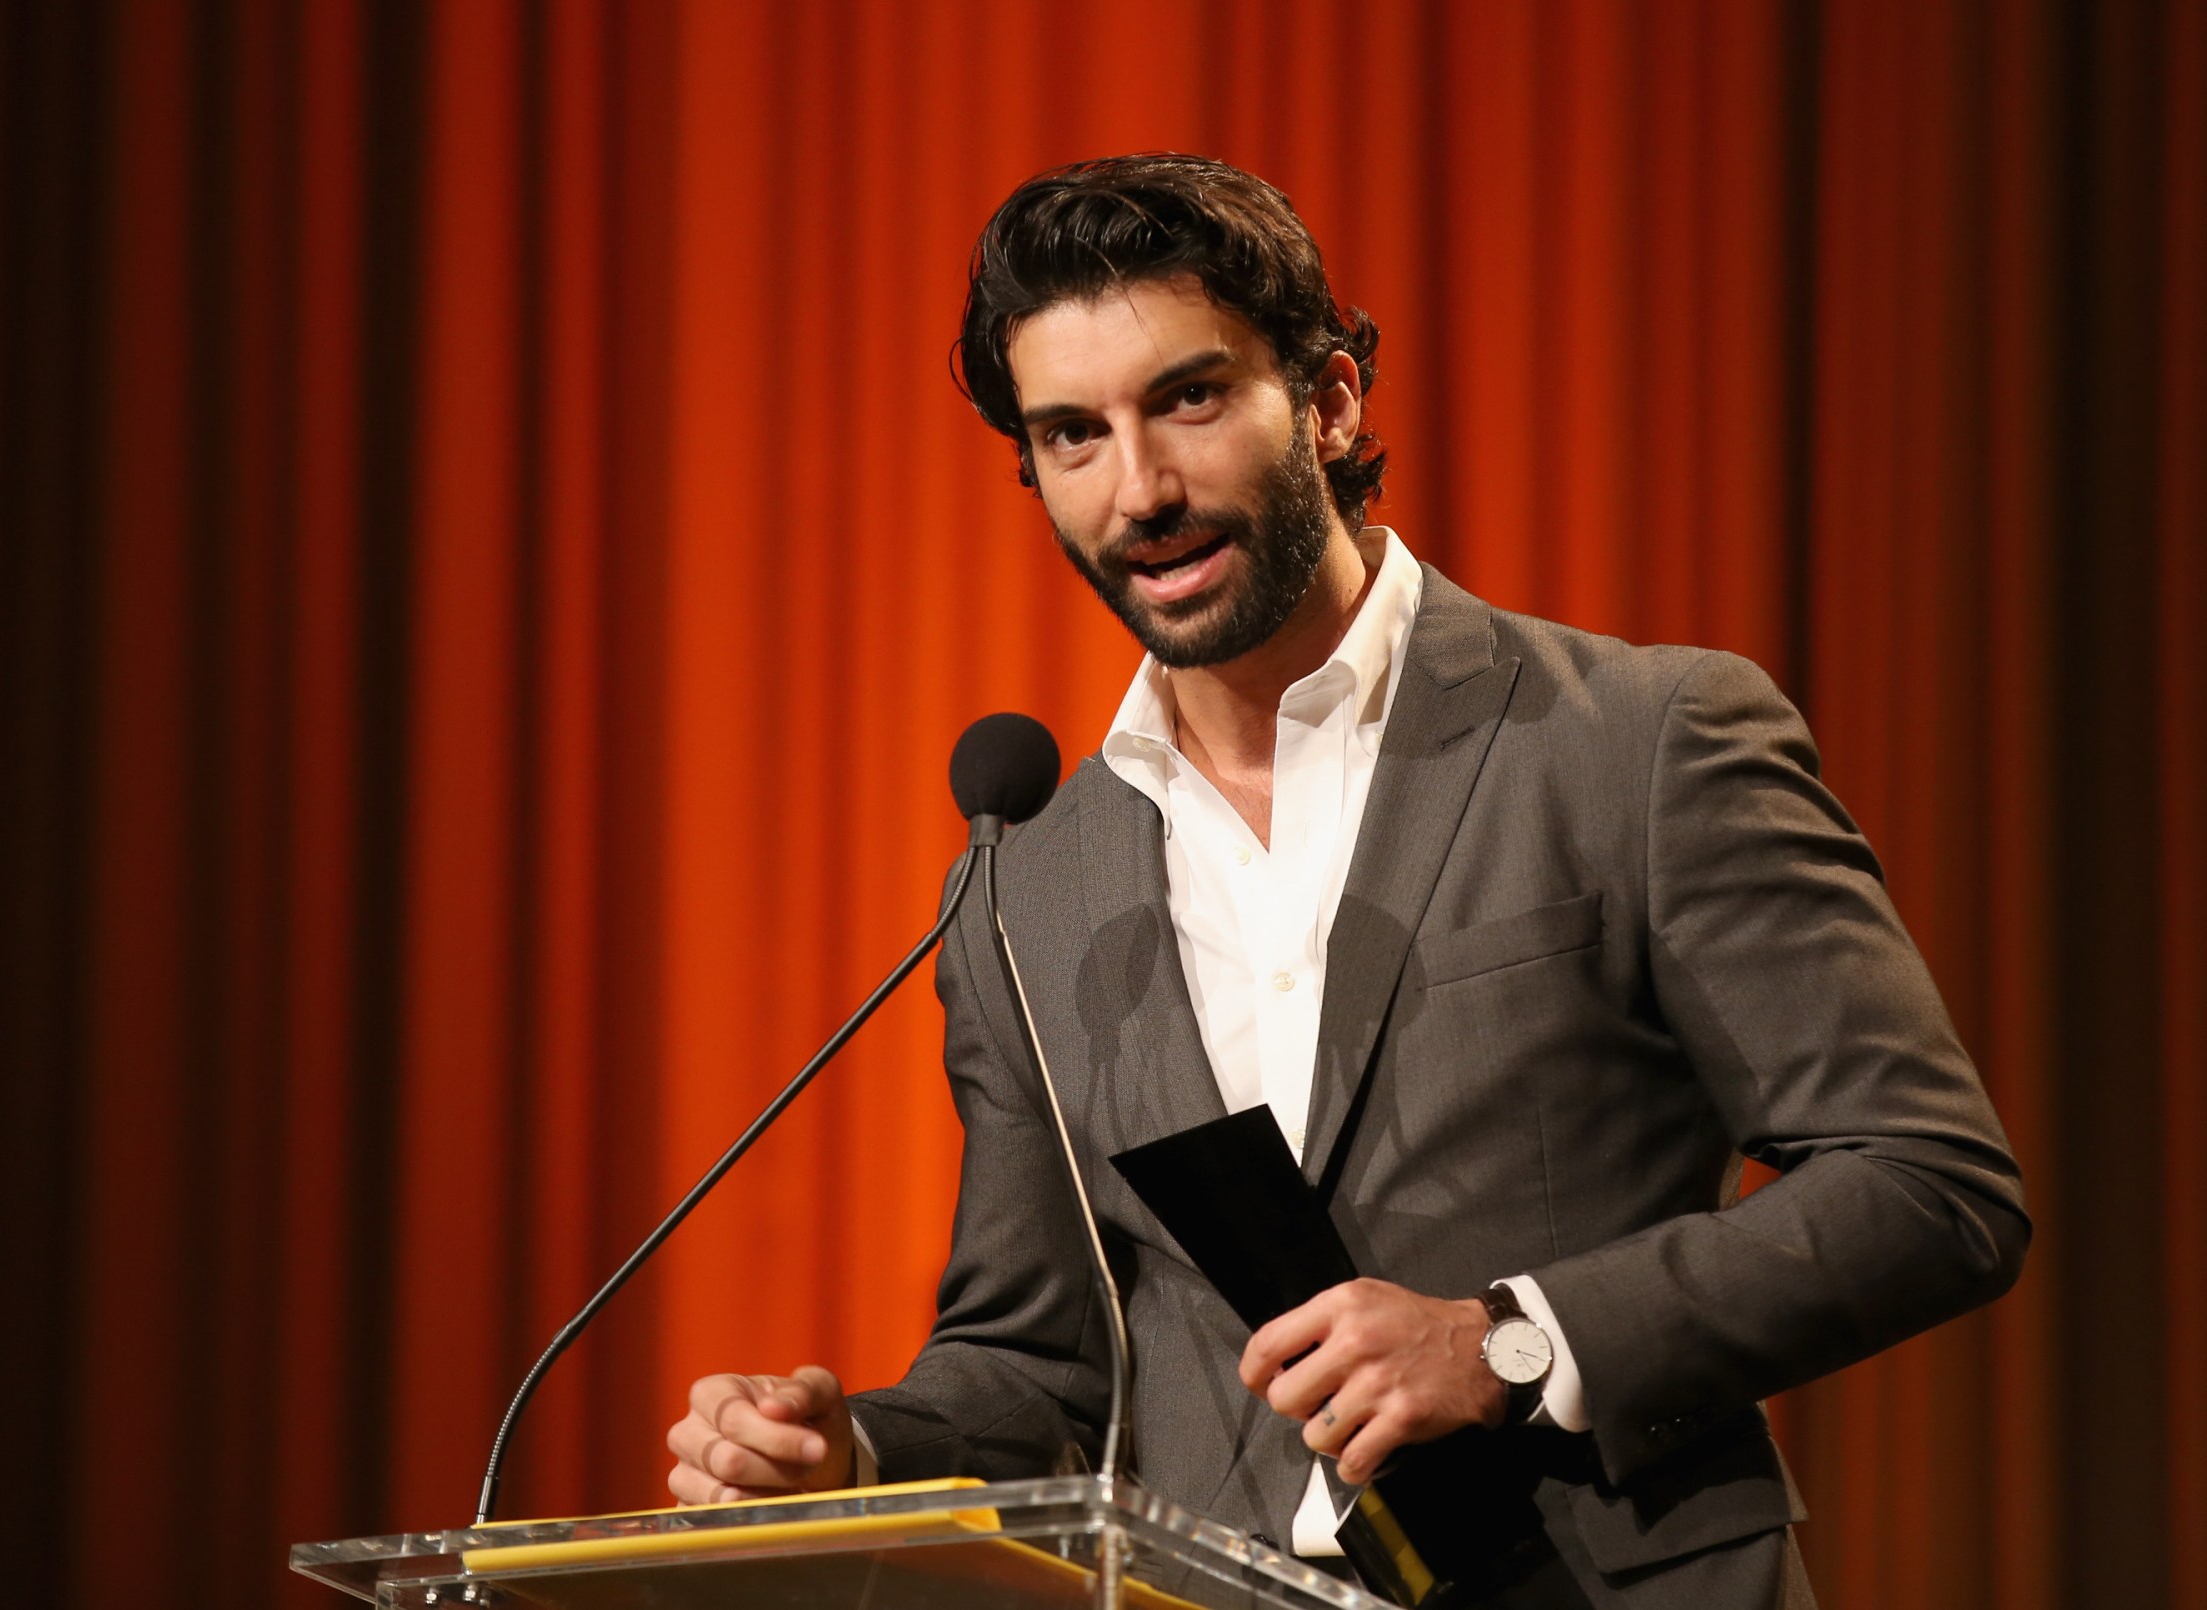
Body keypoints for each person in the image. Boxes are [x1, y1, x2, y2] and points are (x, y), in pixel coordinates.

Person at [662, 154, 2028, 1607]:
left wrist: (1516, 1339)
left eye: (1188, 398)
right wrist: (854, 1454)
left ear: (1327, 402)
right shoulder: (1023, 895)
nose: (1142, 490)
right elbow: (1040, 1363)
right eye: (1073, 435)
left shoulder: (1636, 742)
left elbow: (1931, 1185)